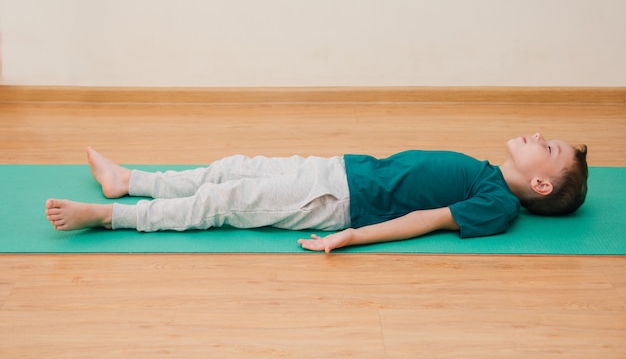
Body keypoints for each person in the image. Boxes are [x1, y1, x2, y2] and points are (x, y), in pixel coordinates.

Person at [44, 133, 588, 253]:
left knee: (226, 200)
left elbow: (427, 220)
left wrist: (351, 236)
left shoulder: (497, 204)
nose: (540, 137)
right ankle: (130, 183)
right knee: (234, 167)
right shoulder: (490, 172)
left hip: (339, 203)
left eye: (551, 147)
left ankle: (111, 218)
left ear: (540, 183)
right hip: (335, 170)